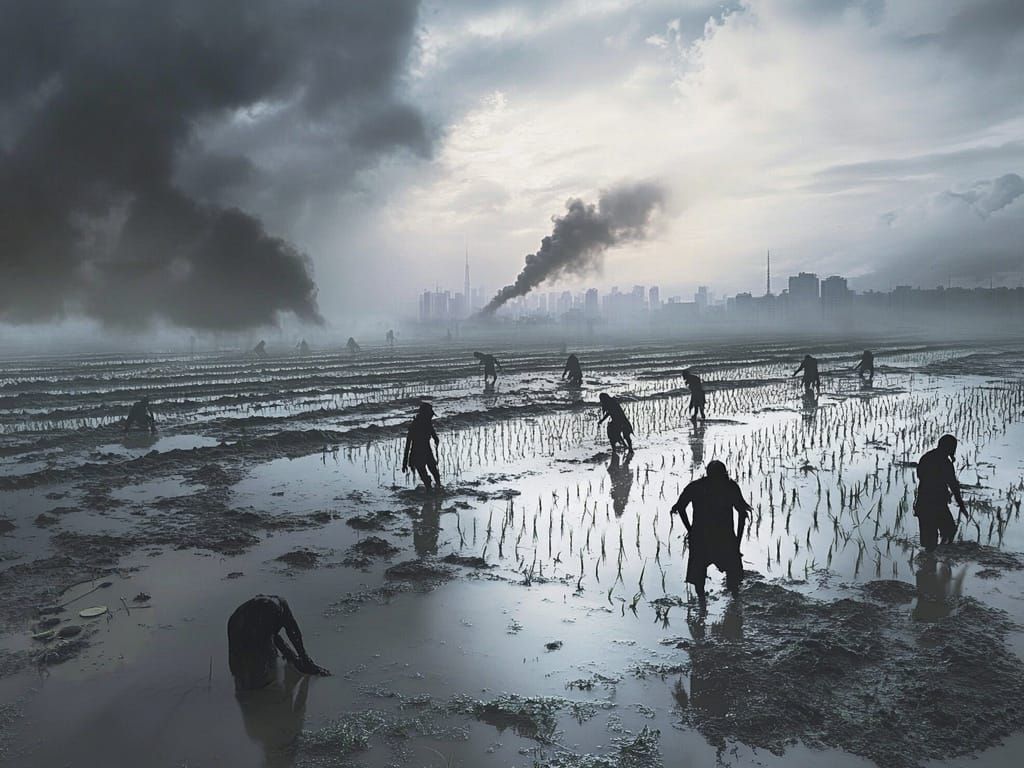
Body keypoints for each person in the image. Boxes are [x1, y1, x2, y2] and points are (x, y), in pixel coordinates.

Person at [671, 460, 751, 605]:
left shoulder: (696, 487)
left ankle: (703, 605)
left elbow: (679, 507)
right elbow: (742, 514)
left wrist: (690, 530)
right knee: (733, 575)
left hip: (701, 537)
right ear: (724, 473)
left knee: (699, 575)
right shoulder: (729, 486)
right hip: (724, 538)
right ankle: (734, 604)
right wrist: (737, 542)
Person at [227, 595, 329, 692]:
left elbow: (290, 633)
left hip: (237, 620)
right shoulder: (271, 611)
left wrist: (300, 659)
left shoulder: (279, 608)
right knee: (253, 664)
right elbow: (277, 636)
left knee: (253, 663)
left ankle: (251, 685)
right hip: (238, 624)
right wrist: (299, 659)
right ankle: (253, 687)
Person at [914, 434, 969, 551]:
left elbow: (920, 476)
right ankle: (943, 562)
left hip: (923, 503)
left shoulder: (926, 457)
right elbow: (953, 485)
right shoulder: (945, 463)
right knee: (949, 531)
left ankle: (931, 563)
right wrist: (961, 505)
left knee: (929, 544)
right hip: (937, 505)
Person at [403, 402, 441, 489]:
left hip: (420, 452)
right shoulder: (417, 425)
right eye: (430, 414)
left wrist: (405, 462)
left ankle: (433, 489)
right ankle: (435, 487)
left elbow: (408, 444)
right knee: (431, 472)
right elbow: (408, 443)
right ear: (426, 414)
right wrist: (404, 462)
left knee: (430, 472)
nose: (431, 416)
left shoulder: (425, 423)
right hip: (419, 452)